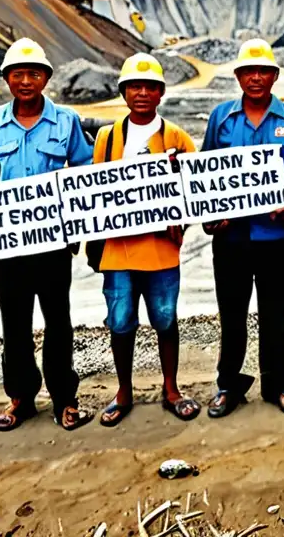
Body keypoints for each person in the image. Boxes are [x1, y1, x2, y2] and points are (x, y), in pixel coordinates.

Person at [0, 38, 94, 432]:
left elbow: (83, 171)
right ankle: (21, 398)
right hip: (8, 246)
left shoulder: (66, 122)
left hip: (55, 244)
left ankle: (64, 399)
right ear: (7, 79)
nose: (26, 81)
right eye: (18, 74)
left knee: (59, 322)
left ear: (46, 78)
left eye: (34, 73)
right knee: (14, 324)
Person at [201, 38, 284, 417]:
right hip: (230, 238)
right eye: (248, 71)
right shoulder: (221, 117)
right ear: (237, 76)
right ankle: (227, 386)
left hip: (275, 237)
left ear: (274, 76)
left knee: (273, 314)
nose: (256, 78)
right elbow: (205, 172)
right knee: (231, 315)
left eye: (263, 71)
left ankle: (277, 384)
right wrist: (209, 216)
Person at [93, 54, 201, 426]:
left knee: (166, 319)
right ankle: (124, 391)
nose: (142, 93)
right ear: (123, 92)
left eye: (149, 87)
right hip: (118, 251)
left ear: (161, 93)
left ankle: (171, 389)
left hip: (161, 252)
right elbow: (94, 192)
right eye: (134, 87)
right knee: (120, 322)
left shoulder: (176, 138)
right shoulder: (107, 139)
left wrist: (182, 222)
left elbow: (197, 191)